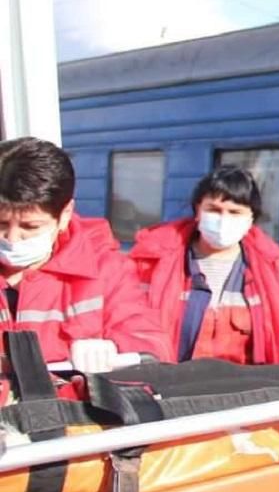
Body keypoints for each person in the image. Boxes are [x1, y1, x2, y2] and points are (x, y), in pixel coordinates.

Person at [0, 137, 170, 371]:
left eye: (31, 227)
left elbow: (154, 346)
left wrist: (114, 348)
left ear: (65, 214)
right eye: (1, 224)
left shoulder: (104, 270)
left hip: (69, 406)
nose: (12, 238)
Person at [130, 166, 279, 364]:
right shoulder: (151, 263)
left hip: (246, 389)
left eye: (235, 212)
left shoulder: (275, 271)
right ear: (198, 211)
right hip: (174, 387)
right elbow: (132, 326)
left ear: (251, 218)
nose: (223, 220)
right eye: (214, 210)